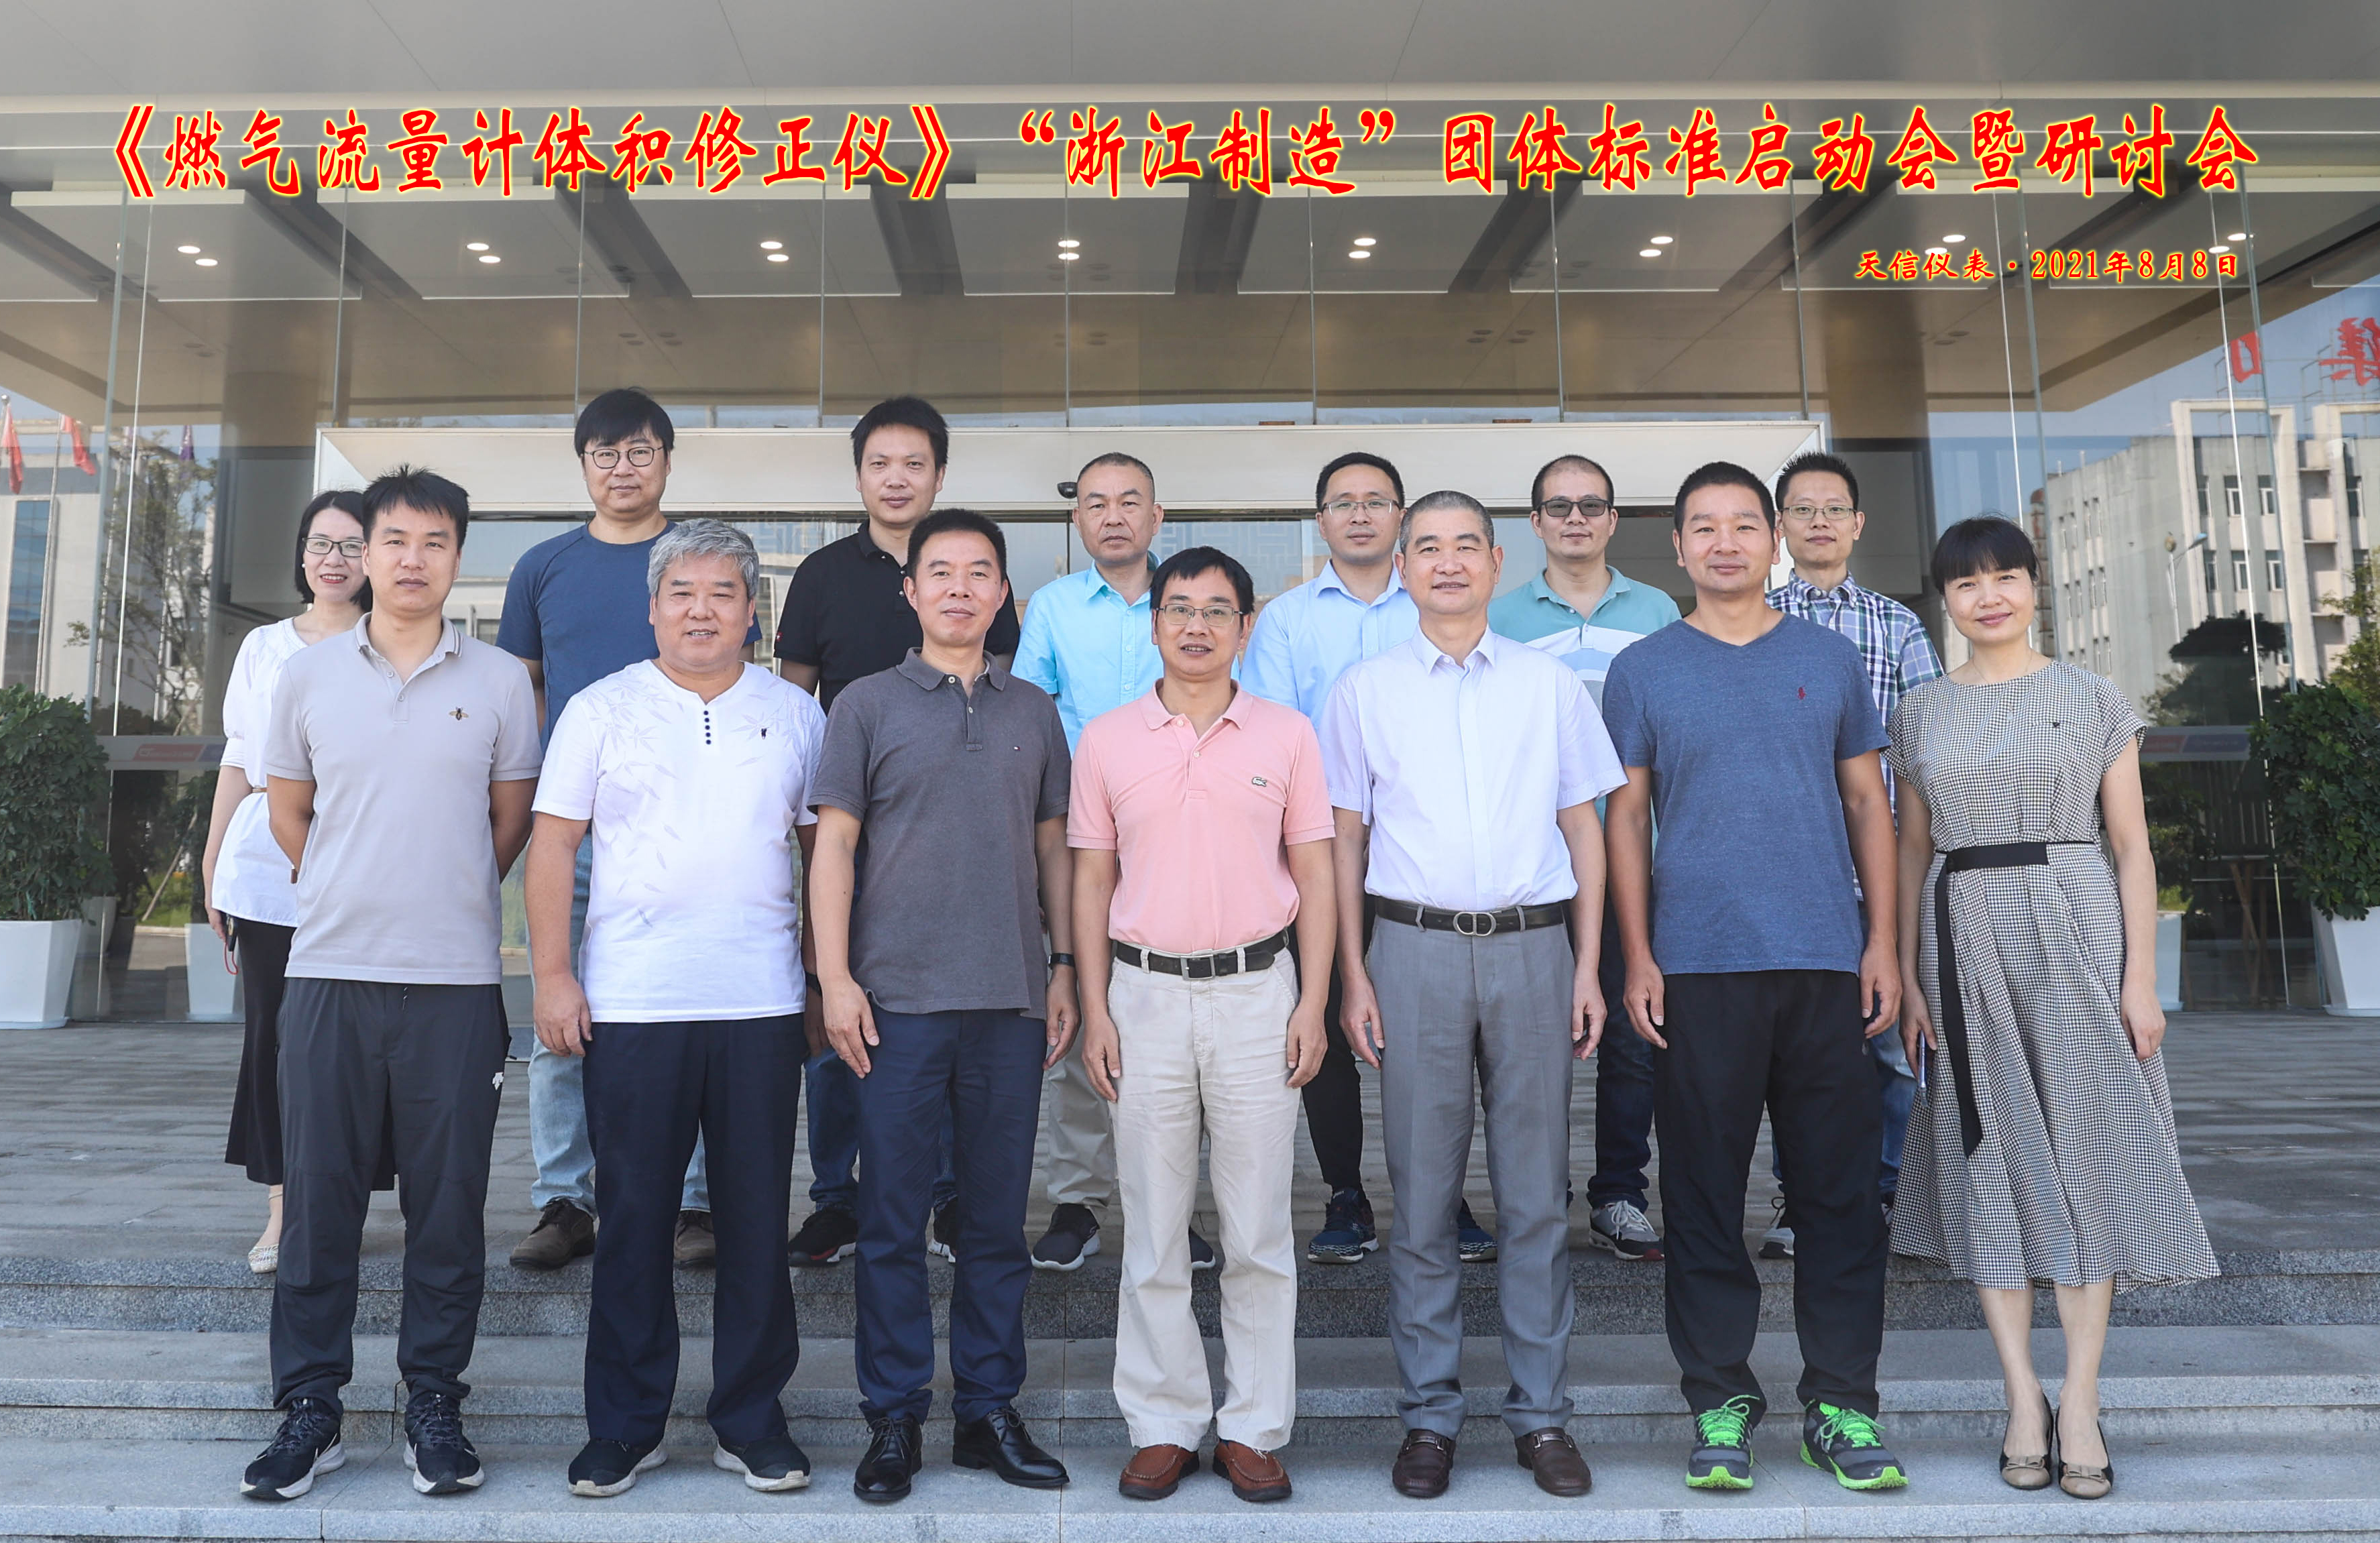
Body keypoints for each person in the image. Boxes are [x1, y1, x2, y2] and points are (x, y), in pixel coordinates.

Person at [1890, 517, 2215, 1501]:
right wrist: (1907, 973)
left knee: (2085, 1160)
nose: (1987, 596)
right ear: (1945, 600)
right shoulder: (1918, 712)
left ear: (2036, 585)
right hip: (1961, 930)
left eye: (2005, 577)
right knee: (1988, 1161)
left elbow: (2133, 849)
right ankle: (2019, 1398)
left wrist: (2139, 980)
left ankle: (2079, 1397)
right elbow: (1911, 849)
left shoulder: (2092, 696)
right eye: (1966, 583)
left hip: (2076, 924)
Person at [1601, 461, 1907, 1495]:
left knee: (1838, 1197)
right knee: (1700, 1194)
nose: (1724, 542)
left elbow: (1868, 804)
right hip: (1697, 968)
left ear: (1773, 540)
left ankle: (1841, 1402)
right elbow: (1625, 819)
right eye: (1704, 526)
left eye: (1743, 525)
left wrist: (1882, 944)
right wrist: (1639, 954)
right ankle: (1719, 1397)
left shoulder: (1828, 657)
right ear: (1677, 547)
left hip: (1826, 962)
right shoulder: (1643, 668)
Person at [243, 467, 540, 1502]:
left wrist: (440, 891)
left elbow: (509, 820)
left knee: (447, 1208)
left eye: (435, 541)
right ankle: (310, 1409)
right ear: (364, 553)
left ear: (459, 557)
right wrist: (349, 883)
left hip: (455, 983)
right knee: (319, 1202)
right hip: (329, 974)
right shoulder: (308, 676)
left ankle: (434, 1405)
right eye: (396, 540)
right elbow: (289, 813)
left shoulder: (499, 680)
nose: (414, 559)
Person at [1322, 491, 1622, 1502]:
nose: (1446, 562)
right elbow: (1345, 841)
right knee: (1420, 1198)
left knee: (1536, 1196)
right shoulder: (1363, 689)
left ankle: (1542, 1418)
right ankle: (1430, 1418)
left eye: (1465, 546)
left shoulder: (1549, 684)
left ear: (1498, 563)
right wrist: (1354, 972)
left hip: (1535, 949)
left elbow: (1583, 827)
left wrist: (1588, 965)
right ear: (1403, 568)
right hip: (1411, 950)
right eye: (1427, 548)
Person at [528, 521, 829, 1499]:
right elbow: (551, 846)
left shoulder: (796, 714)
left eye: (723, 592)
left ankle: (752, 1420)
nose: (702, 610)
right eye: (683, 593)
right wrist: (552, 976)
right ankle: (625, 1426)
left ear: (753, 612)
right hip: (633, 1003)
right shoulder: (601, 708)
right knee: (633, 1220)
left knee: (754, 1222)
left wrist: (822, 976)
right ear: (653, 607)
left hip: (760, 1003)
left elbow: (824, 855)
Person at [809, 508, 1076, 1504]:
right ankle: (893, 1418)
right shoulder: (866, 705)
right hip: (896, 1005)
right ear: (911, 591)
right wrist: (835, 978)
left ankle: (986, 1412)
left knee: (996, 1225)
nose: (960, 588)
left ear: (1003, 593)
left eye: (979, 572)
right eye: (941, 572)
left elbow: (1054, 851)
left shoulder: (1033, 710)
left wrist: (1062, 968)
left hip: (1009, 999)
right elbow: (832, 847)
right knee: (888, 1223)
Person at [1072, 547, 1336, 1505]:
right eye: (1179, 609)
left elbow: (1316, 874)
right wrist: (1094, 1007)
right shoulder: (1107, 739)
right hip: (1142, 994)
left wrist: (1313, 1001)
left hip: (1259, 992)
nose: (1196, 626)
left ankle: (1254, 1427)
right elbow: (1090, 879)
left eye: (1217, 611)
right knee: (1152, 1226)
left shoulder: (1288, 734)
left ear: (1245, 627)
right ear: (1154, 625)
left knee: (1259, 1228)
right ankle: (1163, 1422)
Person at [500, 388, 757, 1273]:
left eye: (640, 451)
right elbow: (525, 697)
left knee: (694, 1015)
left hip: (691, 836)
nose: (622, 468)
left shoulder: (698, 560)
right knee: (560, 1011)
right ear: (583, 465)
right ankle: (566, 1199)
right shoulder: (542, 566)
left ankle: (693, 1204)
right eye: (605, 454)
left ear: (667, 461)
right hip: (576, 831)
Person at [777, 396, 1011, 1269]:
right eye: (881, 463)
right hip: (845, 828)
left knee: (945, 1017)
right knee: (835, 1003)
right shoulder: (822, 575)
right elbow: (794, 703)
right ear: (860, 477)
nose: (898, 478)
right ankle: (836, 1199)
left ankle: (945, 1195)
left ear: (939, 475)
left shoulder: (973, 571)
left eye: (915, 463)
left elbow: (995, 692)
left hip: (949, 831)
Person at [1251, 453, 1500, 1267]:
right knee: (1325, 1018)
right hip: (1315, 850)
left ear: (1400, 518)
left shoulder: (1439, 603)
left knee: (1431, 1035)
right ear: (1321, 520)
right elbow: (1275, 736)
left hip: (1421, 856)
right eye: (1342, 503)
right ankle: (1345, 1195)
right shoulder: (1286, 621)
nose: (1359, 515)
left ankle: (1444, 1195)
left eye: (1376, 501)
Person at [1015, 453, 1212, 1274]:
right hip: (1082, 837)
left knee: (1181, 1016)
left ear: (1157, 516)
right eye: (1096, 504)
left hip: (1184, 832)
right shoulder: (1055, 607)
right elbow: (1030, 717)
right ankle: (1079, 1199)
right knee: (1081, 1000)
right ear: (1078, 521)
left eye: (1131, 502)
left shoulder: (1191, 599)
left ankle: (1176, 1204)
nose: (1114, 516)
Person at [1488, 453, 1681, 1267]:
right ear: (1535, 522)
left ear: (1612, 520)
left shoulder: (1659, 608)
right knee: (1533, 1042)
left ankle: (1618, 1194)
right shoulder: (1500, 615)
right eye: (1559, 506)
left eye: (1591, 505)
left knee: (1634, 1032)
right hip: (1534, 864)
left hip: (1639, 856)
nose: (1576, 518)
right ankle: (1536, 1196)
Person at [1760, 449, 1945, 1260]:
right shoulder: (1755, 618)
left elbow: (1926, 749)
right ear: (1781, 526)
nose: (1820, 522)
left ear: (1859, 523)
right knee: (1798, 1049)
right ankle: (1801, 1202)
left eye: (1834, 509)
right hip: (1790, 871)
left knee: (1893, 1043)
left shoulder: (1897, 626)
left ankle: (1892, 1193)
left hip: (1882, 867)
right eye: (1803, 509)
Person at [206, 492, 385, 1277]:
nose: (334, 559)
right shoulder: (264, 647)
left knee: (359, 1041)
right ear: (302, 554)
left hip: (365, 863)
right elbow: (238, 759)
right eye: (320, 543)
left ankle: (342, 1200)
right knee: (274, 1039)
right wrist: (212, 861)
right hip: (265, 873)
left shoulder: (392, 643)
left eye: (351, 544)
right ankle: (284, 1205)